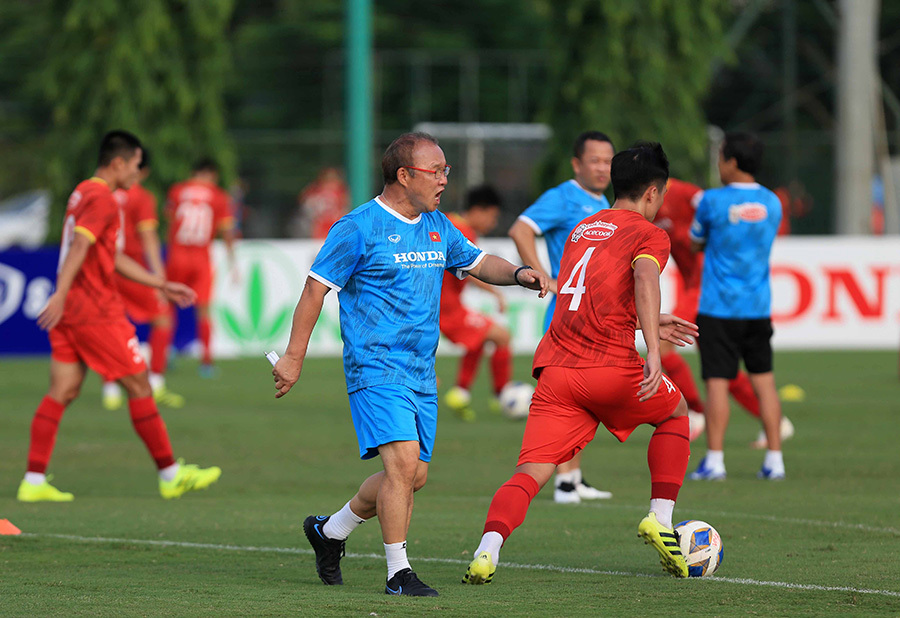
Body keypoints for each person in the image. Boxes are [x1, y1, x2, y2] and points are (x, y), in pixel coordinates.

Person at [271, 132, 549, 597]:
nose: (444, 179)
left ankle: (330, 532)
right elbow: (316, 289)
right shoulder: (358, 227)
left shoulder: (437, 223)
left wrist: (520, 273)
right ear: (404, 175)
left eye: (446, 171)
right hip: (375, 367)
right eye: (435, 170)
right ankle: (398, 573)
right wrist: (294, 358)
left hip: (422, 371)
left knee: (413, 475)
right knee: (401, 466)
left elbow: (479, 263)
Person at [462, 142, 700, 586]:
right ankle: (660, 520)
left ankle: (486, 550)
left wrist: (643, 321)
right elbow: (646, 277)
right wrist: (651, 347)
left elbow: (595, 303)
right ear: (653, 192)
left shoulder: (583, 227)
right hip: (609, 368)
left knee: (530, 472)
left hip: (556, 370)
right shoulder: (650, 233)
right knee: (676, 414)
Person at [17, 130, 222, 503]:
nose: (138, 171)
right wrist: (61, 292)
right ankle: (170, 474)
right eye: (135, 164)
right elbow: (81, 245)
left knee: (63, 390)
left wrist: (159, 283)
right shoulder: (104, 199)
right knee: (140, 385)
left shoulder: (82, 191)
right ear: (118, 163)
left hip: (74, 309)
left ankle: (32, 480)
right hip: (94, 310)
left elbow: (107, 256)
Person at [508, 130, 614, 504]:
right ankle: (564, 482)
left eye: (607, 160)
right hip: (566, 317)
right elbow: (521, 229)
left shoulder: (603, 202)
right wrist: (542, 275)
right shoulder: (563, 196)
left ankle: (574, 477)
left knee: (585, 398)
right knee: (565, 399)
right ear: (577, 164)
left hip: (595, 316)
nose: (603, 167)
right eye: (595, 160)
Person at [654, 178, 793, 449]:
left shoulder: (686, 194)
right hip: (693, 286)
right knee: (720, 368)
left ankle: (695, 411)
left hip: (707, 286)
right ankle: (777, 423)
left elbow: (716, 215)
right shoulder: (643, 205)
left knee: (662, 346)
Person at [688, 132, 785, 481]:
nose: (718, 164)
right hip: (757, 307)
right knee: (765, 382)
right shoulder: (773, 202)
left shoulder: (712, 201)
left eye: (720, 158)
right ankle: (775, 460)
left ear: (731, 161)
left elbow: (695, 241)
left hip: (718, 307)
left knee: (717, 383)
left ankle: (715, 461)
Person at [101, 150, 184, 411]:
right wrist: (159, 280)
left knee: (111, 325)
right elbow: (148, 238)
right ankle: (156, 383)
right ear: (142, 171)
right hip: (132, 269)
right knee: (163, 319)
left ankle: (111, 388)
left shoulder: (100, 192)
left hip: (103, 268)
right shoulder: (142, 196)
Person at [441, 185, 513, 421]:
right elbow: (471, 270)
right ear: (479, 211)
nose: (493, 223)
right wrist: (495, 293)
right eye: (492, 217)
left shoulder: (448, 223)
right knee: (501, 336)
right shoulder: (462, 231)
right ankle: (503, 395)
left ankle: (460, 393)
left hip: (441, 306)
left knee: (480, 340)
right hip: (445, 310)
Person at [161, 158, 237, 377]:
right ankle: (206, 362)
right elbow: (227, 230)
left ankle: (166, 352)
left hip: (177, 255)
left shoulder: (177, 191)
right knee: (203, 309)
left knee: (168, 305)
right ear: (211, 174)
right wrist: (233, 261)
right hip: (201, 258)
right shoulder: (219, 196)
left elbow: (169, 219)